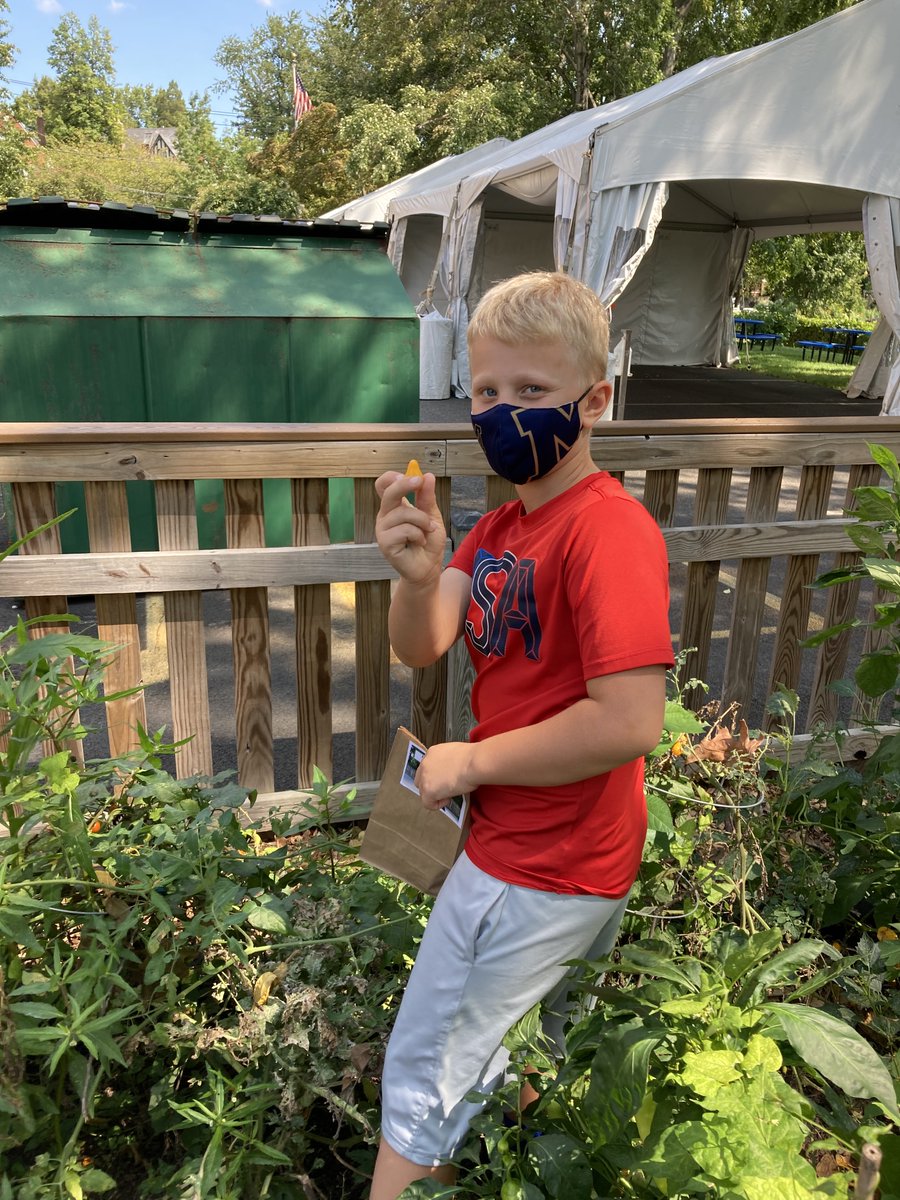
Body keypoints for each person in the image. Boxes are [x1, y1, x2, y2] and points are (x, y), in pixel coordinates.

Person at [369, 271, 674, 1199]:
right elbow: (422, 646)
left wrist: (476, 761)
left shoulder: (606, 531)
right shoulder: (500, 526)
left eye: (533, 393)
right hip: (536, 849)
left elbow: (630, 721)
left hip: (538, 864)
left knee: (426, 1076)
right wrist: (417, 573)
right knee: (508, 1054)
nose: (505, 413)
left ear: (596, 399)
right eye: (488, 391)